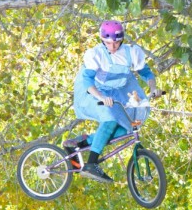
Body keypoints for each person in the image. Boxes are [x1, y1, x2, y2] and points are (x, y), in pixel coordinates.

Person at [64, 20, 162, 183]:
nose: (113, 47)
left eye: (116, 43)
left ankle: (83, 142)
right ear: (103, 40)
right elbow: (88, 81)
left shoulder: (131, 53)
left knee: (129, 127)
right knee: (109, 119)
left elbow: (146, 72)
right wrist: (101, 97)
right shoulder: (96, 54)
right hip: (93, 91)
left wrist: (153, 89)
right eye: (108, 43)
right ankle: (91, 164)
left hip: (118, 92)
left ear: (121, 40)